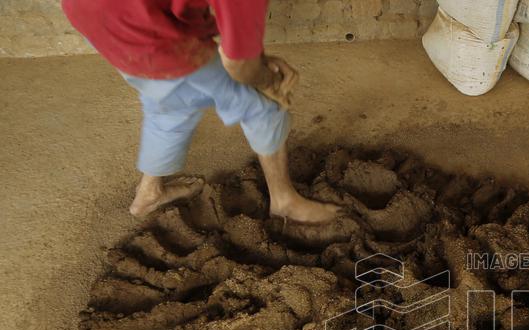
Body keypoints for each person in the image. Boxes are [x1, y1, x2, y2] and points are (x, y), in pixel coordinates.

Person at [62, 0, 343, 223]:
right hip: (146, 29)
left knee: (170, 101)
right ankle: (284, 201)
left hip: (91, 13)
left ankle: (149, 192)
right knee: (262, 105)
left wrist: (251, 57)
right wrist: (268, 82)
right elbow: (239, 67)